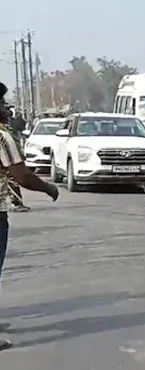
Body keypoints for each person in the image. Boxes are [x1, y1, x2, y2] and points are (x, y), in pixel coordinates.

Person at [0, 82, 59, 352]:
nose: (5, 108)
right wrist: (48, 188)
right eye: (2, 103)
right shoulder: (3, 137)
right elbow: (22, 176)